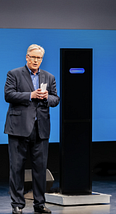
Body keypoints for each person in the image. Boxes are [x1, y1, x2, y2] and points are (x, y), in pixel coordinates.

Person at [4, 44, 59, 214]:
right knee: (17, 168)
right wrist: (31, 95)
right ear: (27, 57)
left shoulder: (49, 77)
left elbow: (56, 99)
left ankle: (40, 204)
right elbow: (8, 95)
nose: (36, 61)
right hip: (18, 128)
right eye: (33, 57)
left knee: (40, 168)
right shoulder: (14, 74)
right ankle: (18, 205)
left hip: (40, 129)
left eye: (39, 58)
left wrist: (46, 97)